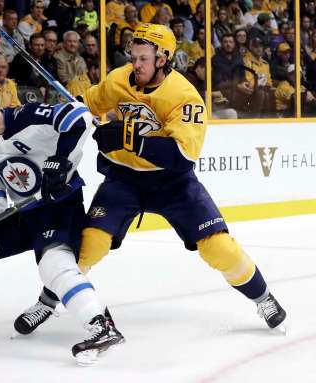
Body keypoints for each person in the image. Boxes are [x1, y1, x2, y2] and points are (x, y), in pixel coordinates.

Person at [16, 23, 287, 336]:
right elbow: (83, 105)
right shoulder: (119, 79)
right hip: (123, 180)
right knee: (90, 245)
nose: (136, 64)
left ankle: (263, 297)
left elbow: (182, 156)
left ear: (163, 59)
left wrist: (128, 138)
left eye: (143, 58)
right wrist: (58, 113)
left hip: (173, 183)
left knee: (219, 248)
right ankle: (48, 301)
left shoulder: (184, 96)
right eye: (133, 57)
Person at [0, 77, 124, 364]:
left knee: (53, 265)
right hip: (24, 213)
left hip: (60, 206)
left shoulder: (27, 117)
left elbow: (79, 117)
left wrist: (61, 161)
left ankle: (101, 325)